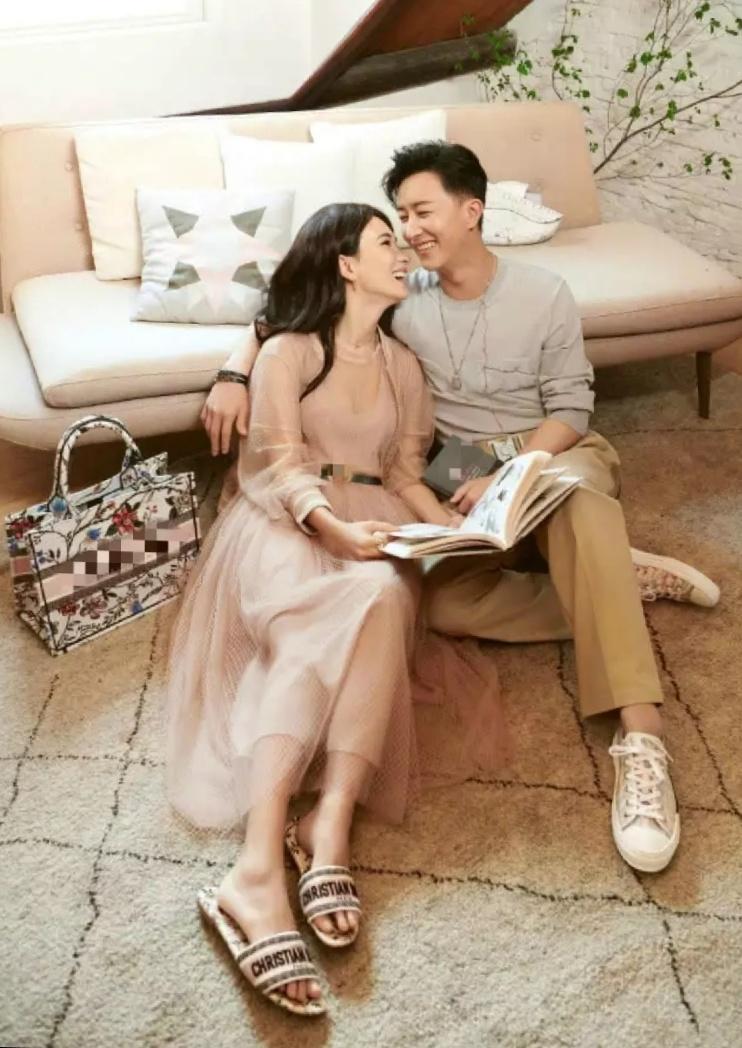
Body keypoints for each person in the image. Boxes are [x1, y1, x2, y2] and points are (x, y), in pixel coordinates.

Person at [203, 142, 720, 880]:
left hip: (551, 451)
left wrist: (519, 466)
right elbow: (291, 309)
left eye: (422, 212)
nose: (410, 231)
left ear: (471, 210)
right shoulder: (401, 294)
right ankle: (615, 578)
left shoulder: (543, 292)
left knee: (578, 503)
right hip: (459, 471)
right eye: (400, 218)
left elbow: (572, 408)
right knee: (439, 608)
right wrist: (234, 372)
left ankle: (641, 738)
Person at [167, 202, 502, 1018]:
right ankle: (255, 869)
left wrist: (457, 527)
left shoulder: (402, 364)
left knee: (386, 592)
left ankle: (331, 825)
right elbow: (276, 466)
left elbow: (406, 466)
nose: (404, 252)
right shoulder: (288, 353)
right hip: (287, 520)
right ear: (346, 265)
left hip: (375, 516)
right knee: (321, 622)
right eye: (387, 241)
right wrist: (331, 527)